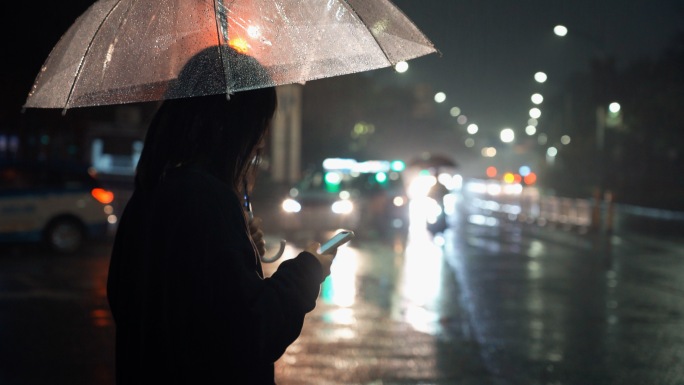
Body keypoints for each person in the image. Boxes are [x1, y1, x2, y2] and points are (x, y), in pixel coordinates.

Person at [106, 46, 336, 384]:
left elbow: (180, 300)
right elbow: (249, 331)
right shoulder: (206, 200)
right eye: (260, 126)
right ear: (236, 126)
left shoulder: (155, 191)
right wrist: (308, 271)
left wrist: (241, 248)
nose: (260, 143)